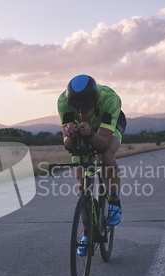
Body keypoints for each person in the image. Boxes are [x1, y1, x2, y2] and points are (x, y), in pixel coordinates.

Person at [57, 74, 127, 256]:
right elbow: (69, 147)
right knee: (82, 184)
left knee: (105, 157)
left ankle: (114, 203)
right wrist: (69, 135)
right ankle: (87, 234)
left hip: (109, 125)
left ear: (94, 101)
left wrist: (90, 134)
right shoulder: (63, 101)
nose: (81, 113)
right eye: (76, 109)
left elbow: (103, 142)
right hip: (85, 130)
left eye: (86, 108)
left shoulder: (110, 99)